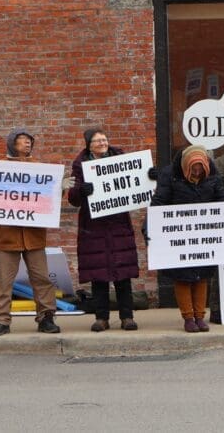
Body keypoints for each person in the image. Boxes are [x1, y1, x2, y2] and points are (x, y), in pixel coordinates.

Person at [0, 129, 60, 336]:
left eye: (29, 141)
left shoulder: (40, 170)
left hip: (34, 235)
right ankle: (1, 320)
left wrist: (59, 188)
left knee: (41, 278)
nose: (27, 144)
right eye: (22, 141)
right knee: (5, 281)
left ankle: (46, 317)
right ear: (12, 143)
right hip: (7, 236)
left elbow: (48, 198)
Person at [67, 129, 140, 332]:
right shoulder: (79, 165)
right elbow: (72, 198)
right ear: (88, 144)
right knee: (98, 275)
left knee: (123, 274)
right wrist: (81, 191)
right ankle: (101, 318)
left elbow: (137, 182)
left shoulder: (120, 159)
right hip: (94, 226)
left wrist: (149, 177)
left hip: (118, 223)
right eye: (97, 140)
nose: (102, 143)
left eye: (104, 139)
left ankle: (127, 317)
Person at [151, 145, 224, 332]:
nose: (197, 171)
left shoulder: (213, 177)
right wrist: (151, 226)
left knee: (202, 276)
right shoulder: (170, 175)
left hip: (204, 234)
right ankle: (188, 317)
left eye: (201, 168)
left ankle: (200, 317)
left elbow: (223, 200)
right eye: (194, 168)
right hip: (179, 235)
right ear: (186, 165)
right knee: (183, 277)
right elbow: (159, 201)